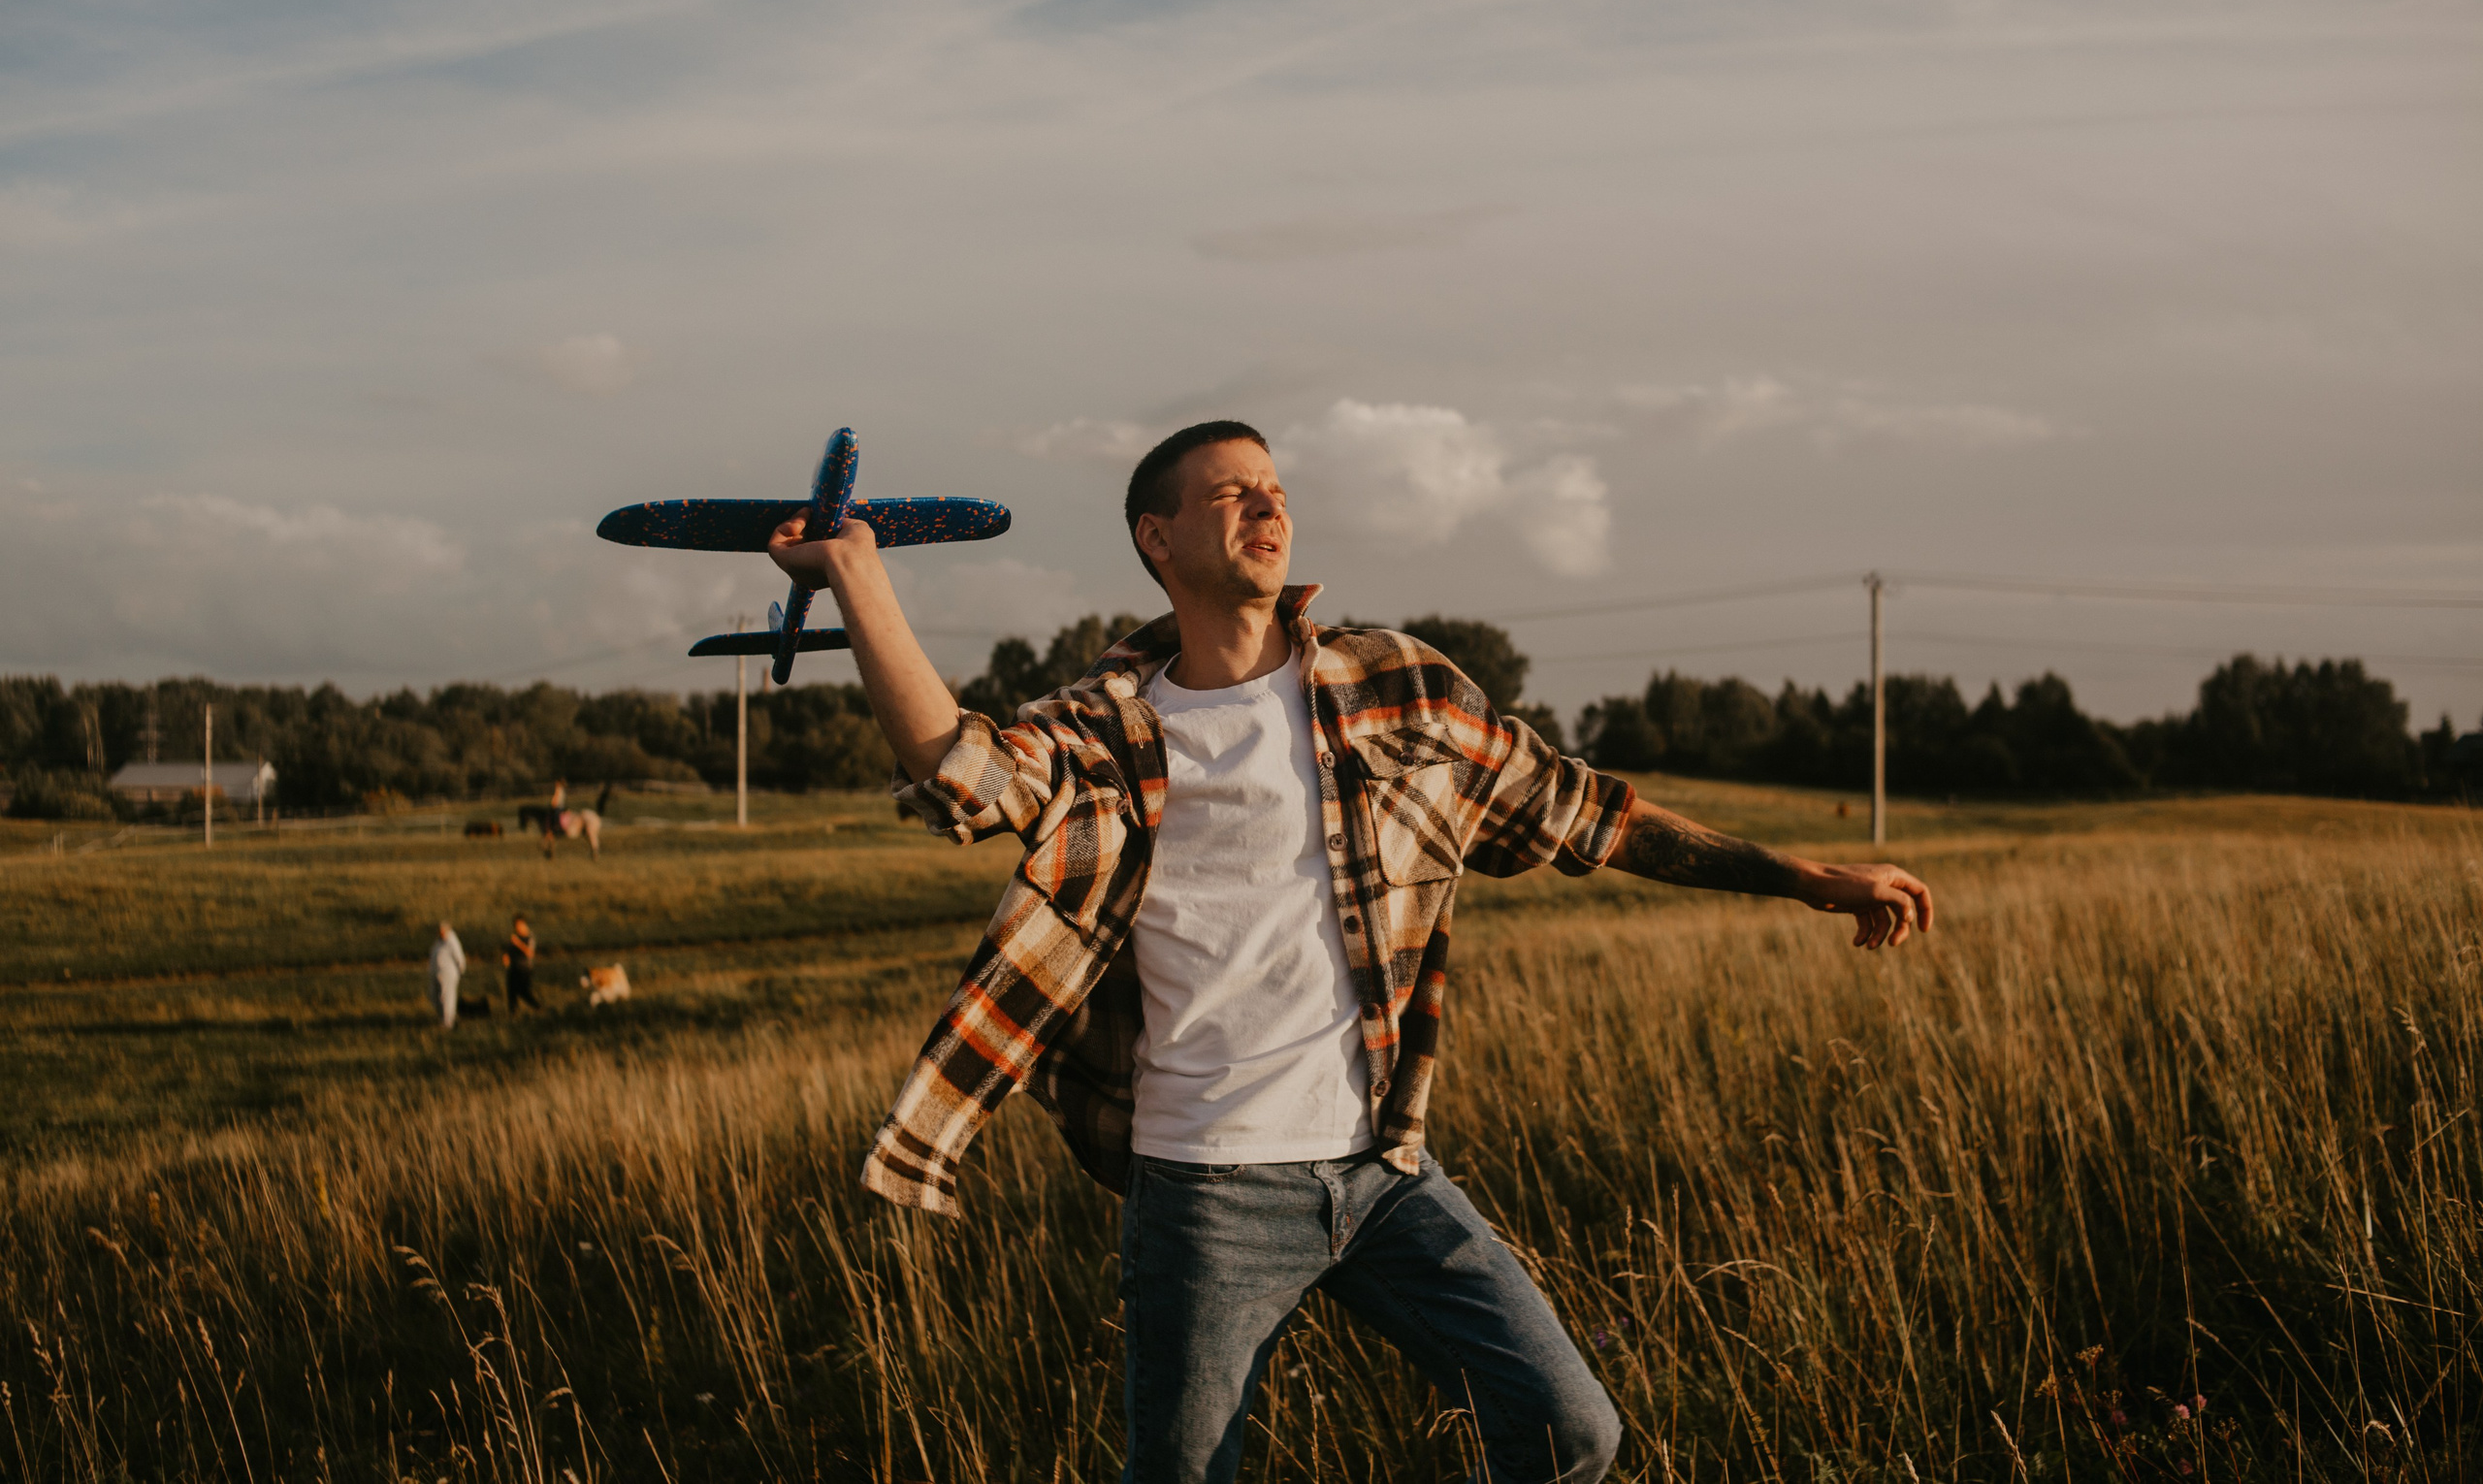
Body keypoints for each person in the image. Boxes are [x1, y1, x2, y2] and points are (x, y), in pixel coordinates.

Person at [768, 421, 1933, 1484]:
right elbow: (959, 771)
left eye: (1274, 488)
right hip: (1204, 1191)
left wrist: (1808, 878)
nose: (1266, 506)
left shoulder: (1398, 690)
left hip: (1383, 1173)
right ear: (1157, 538)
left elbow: (1591, 813)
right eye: (1230, 494)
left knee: (1571, 1432)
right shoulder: (1103, 729)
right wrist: (858, 577)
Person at [426, 920, 467, 1030]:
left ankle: (448, 1022)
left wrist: (459, 971)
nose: (440, 933)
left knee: (447, 997)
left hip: (447, 974)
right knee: (434, 996)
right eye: (440, 931)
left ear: (447, 930)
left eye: (442, 931)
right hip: (436, 974)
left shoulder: (452, 941)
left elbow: (460, 958)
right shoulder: (438, 942)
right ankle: (445, 1017)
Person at [502, 915, 540, 1014]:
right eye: (516, 926)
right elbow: (509, 950)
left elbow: (530, 953)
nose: (518, 928)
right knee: (511, 992)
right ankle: (513, 1014)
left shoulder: (529, 937)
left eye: (520, 925)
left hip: (524, 969)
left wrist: (518, 943)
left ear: (524, 925)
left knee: (523, 991)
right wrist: (506, 957)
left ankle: (537, 1007)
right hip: (513, 968)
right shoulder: (514, 936)